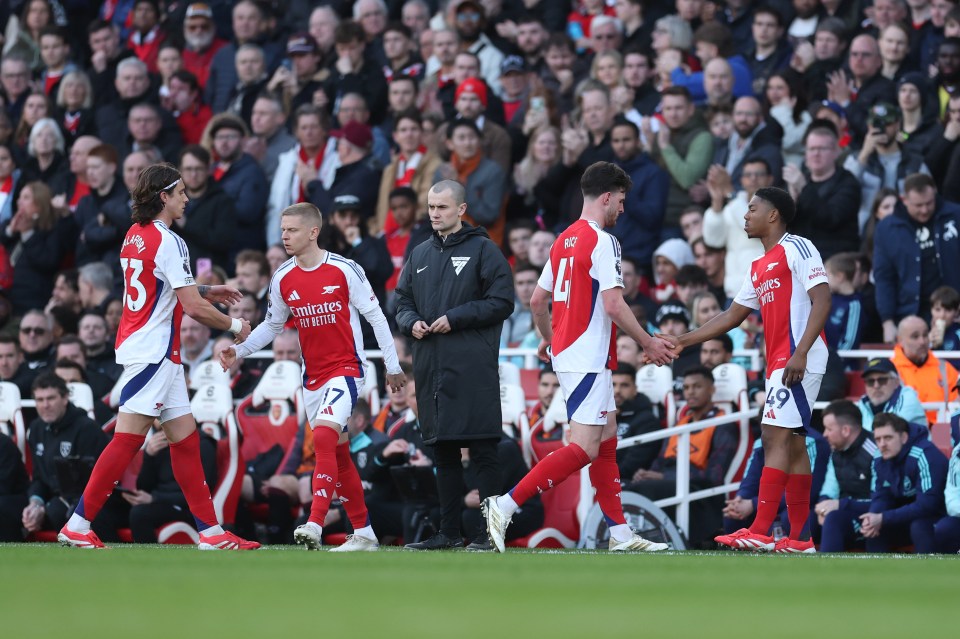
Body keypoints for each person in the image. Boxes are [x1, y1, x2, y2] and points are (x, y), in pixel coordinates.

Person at [57, 163, 259, 551]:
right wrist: (235, 327)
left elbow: (159, 284)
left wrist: (203, 287)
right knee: (127, 440)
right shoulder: (171, 241)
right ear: (163, 196)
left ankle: (211, 533)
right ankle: (77, 523)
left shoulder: (134, 235)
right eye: (180, 192)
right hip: (155, 351)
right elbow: (192, 309)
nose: (186, 198)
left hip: (149, 348)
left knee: (185, 441)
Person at [481, 162, 675, 554]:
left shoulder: (562, 238)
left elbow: (538, 301)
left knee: (605, 443)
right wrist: (647, 342)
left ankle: (620, 535)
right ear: (607, 197)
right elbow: (614, 304)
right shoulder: (603, 241)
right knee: (584, 448)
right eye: (620, 201)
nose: (622, 209)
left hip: (576, 354)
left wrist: (551, 340)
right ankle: (504, 505)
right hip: (586, 356)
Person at [221, 202, 405, 552]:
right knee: (337, 454)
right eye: (283, 230)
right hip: (313, 377)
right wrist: (239, 351)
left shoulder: (344, 269)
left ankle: (314, 522)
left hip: (347, 370)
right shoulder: (283, 277)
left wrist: (392, 366)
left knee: (322, 437)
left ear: (313, 232)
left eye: (291, 230)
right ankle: (364, 533)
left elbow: (377, 318)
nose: (284, 236)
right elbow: (273, 325)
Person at [662, 187, 832, 554]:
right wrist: (683, 341)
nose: (745, 215)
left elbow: (823, 298)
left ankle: (759, 529)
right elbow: (731, 316)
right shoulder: (758, 265)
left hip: (800, 359)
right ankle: (801, 539)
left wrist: (801, 352)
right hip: (780, 362)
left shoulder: (797, 247)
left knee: (772, 435)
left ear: (773, 215)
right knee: (795, 444)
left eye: (752, 209)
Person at [395, 179, 515, 550]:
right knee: (442, 450)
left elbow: (502, 301)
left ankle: (490, 534)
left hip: (472, 366)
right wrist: (409, 321)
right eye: (431, 207)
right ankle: (448, 533)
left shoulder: (484, 250)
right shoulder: (419, 255)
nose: (435, 214)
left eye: (442, 207)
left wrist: (457, 317)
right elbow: (400, 301)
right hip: (430, 367)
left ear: (461, 210)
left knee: (482, 449)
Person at [21, 373, 113, 539]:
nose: (45, 405)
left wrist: (60, 502)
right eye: (39, 400)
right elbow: (39, 478)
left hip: (96, 502)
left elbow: (98, 477)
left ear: (65, 398)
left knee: (59, 510)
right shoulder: (36, 429)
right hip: (59, 502)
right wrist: (35, 503)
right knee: (27, 510)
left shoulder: (86, 428)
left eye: (51, 398)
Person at [874, 173, 960, 341]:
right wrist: (887, 321)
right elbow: (884, 277)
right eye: (918, 205)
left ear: (935, 192)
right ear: (904, 199)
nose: (925, 210)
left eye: (929, 203)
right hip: (910, 313)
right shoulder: (888, 228)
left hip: (954, 310)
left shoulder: (956, 215)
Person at [864, 413, 948, 553]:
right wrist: (873, 517)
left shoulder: (924, 454)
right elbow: (881, 495)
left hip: (937, 516)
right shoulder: (879, 458)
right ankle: (875, 574)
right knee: (873, 527)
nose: (882, 444)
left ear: (903, 437)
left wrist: (883, 517)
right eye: (878, 439)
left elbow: (928, 505)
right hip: (905, 515)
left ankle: (927, 573)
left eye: (888, 438)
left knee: (919, 525)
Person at [816, 400, 881, 552]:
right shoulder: (836, 452)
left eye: (828, 429)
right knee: (808, 518)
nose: (824, 434)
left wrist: (840, 505)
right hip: (847, 510)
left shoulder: (876, 451)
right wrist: (823, 509)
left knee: (834, 519)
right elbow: (828, 490)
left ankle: (825, 571)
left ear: (845, 430)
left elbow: (881, 501)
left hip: (871, 515)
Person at [857, 357, 927, 431]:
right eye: (870, 381)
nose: (876, 386)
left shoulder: (908, 399)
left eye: (882, 380)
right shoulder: (863, 404)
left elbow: (887, 433)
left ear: (896, 382)